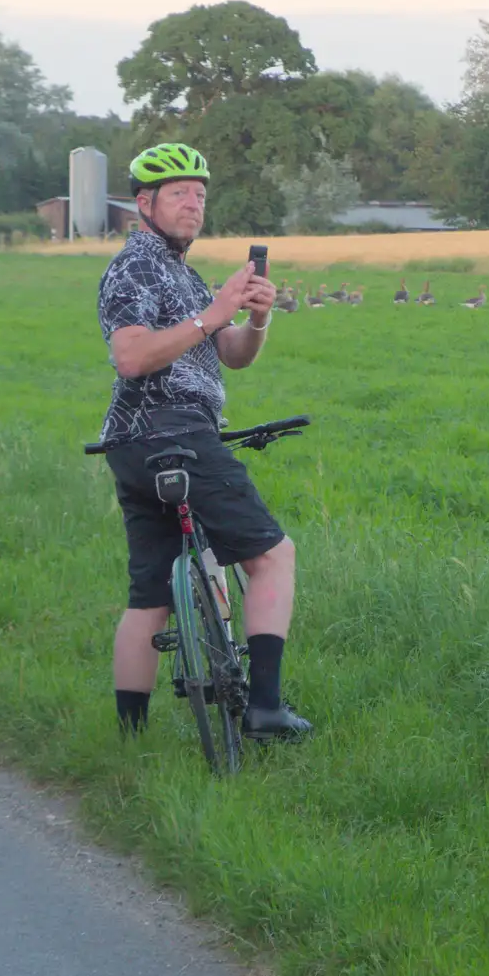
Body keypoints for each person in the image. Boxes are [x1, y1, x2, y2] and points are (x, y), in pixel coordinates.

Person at [97, 142, 312, 741]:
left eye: (200, 194)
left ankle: (129, 743)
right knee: (272, 557)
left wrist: (256, 317)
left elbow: (232, 358)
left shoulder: (183, 274)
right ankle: (266, 709)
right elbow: (132, 357)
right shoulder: (136, 266)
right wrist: (214, 312)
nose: (193, 204)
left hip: (136, 446)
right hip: (172, 434)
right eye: (178, 194)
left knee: (150, 598)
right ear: (145, 203)